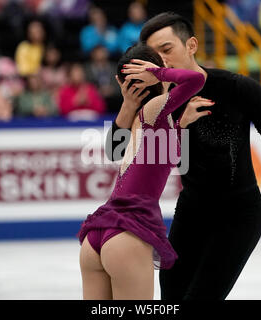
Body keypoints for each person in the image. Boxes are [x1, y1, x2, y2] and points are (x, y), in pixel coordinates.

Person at [106, 12, 261, 300]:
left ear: (192, 45)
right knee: (171, 295)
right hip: (192, 210)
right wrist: (128, 106)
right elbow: (116, 152)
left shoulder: (237, 88)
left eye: (167, 50)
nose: (162, 62)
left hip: (239, 214)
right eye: (154, 55)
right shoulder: (156, 101)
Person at [77, 42, 207, 300]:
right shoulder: (154, 109)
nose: (167, 63)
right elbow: (196, 79)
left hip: (98, 237)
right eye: (161, 59)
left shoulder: (145, 117)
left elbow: (153, 157)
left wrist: (182, 124)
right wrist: (158, 73)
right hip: (128, 234)